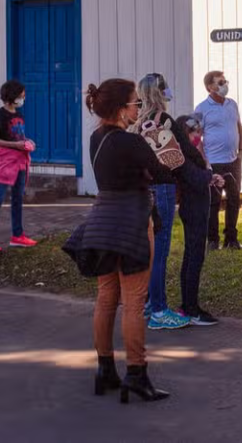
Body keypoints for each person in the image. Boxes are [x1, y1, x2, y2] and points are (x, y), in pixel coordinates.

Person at [62, 79, 171, 403]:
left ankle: (105, 369)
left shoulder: (96, 138)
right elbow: (162, 173)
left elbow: (118, 173)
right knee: (134, 301)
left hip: (101, 221)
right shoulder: (131, 142)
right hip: (132, 221)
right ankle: (136, 373)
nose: (139, 107)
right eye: (136, 103)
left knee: (107, 296)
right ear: (121, 108)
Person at [134, 73, 191, 331]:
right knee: (160, 250)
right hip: (164, 187)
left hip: (145, 189)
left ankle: (149, 302)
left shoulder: (138, 121)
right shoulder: (164, 119)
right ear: (159, 92)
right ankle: (159, 310)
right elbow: (184, 152)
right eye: (165, 87)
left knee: (150, 249)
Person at [173, 113, 222, 325]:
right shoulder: (183, 155)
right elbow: (195, 177)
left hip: (197, 208)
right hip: (193, 209)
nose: (198, 136)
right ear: (185, 134)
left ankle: (189, 304)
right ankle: (190, 308)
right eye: (194, 133)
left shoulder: (194, 153)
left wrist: (210, 175)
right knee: (194, 258)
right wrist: (210, 176)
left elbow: (202, 173)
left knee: (192, 256)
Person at [0, 80, 37, 256]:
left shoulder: (19, 114)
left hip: (20, 160)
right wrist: (15, 145)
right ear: (13, 95)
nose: (24, 97)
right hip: (6, 162)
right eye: (22, 94)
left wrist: (26, 142)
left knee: (18, 198)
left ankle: (17, 236)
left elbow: (18, 136)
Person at [195, 71, 242, 250]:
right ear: (210, 87)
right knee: (213, 202)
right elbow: (195, 137)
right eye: (220, 82)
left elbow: (239, 127)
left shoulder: (232, 104)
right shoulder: (201, 108)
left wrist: (241, 152)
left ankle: (231, 239)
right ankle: (212, 240)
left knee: (234, 199)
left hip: (233, 161)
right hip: (213, 162)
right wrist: (204, 161)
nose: (225, 85)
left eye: (225, 81)